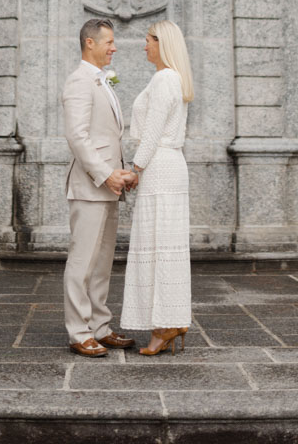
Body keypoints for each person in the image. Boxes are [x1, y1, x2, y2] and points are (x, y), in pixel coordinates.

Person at [62, 17, 136, 357]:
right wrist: (106, 174)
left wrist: (121, 174)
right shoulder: (79, 81)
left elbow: (108, 135)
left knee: (103, 260)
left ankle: (100, 326)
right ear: (89, 43)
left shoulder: (103, 82)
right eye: (108, 41)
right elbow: (77, 137)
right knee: (83, 261)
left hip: (110, 185)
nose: (114, 47)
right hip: (91, 185)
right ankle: (79, 332)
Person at [120, 19, 193, 356]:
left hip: (160, 165)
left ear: (161, 43)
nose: (143, 45)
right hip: (168, 164)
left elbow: (151, 131)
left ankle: (165, 325)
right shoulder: (172, 78)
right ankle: (168, 322)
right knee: (164, 245)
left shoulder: (165, 78)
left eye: (147, 39)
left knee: (160, 246)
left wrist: (135, 168)